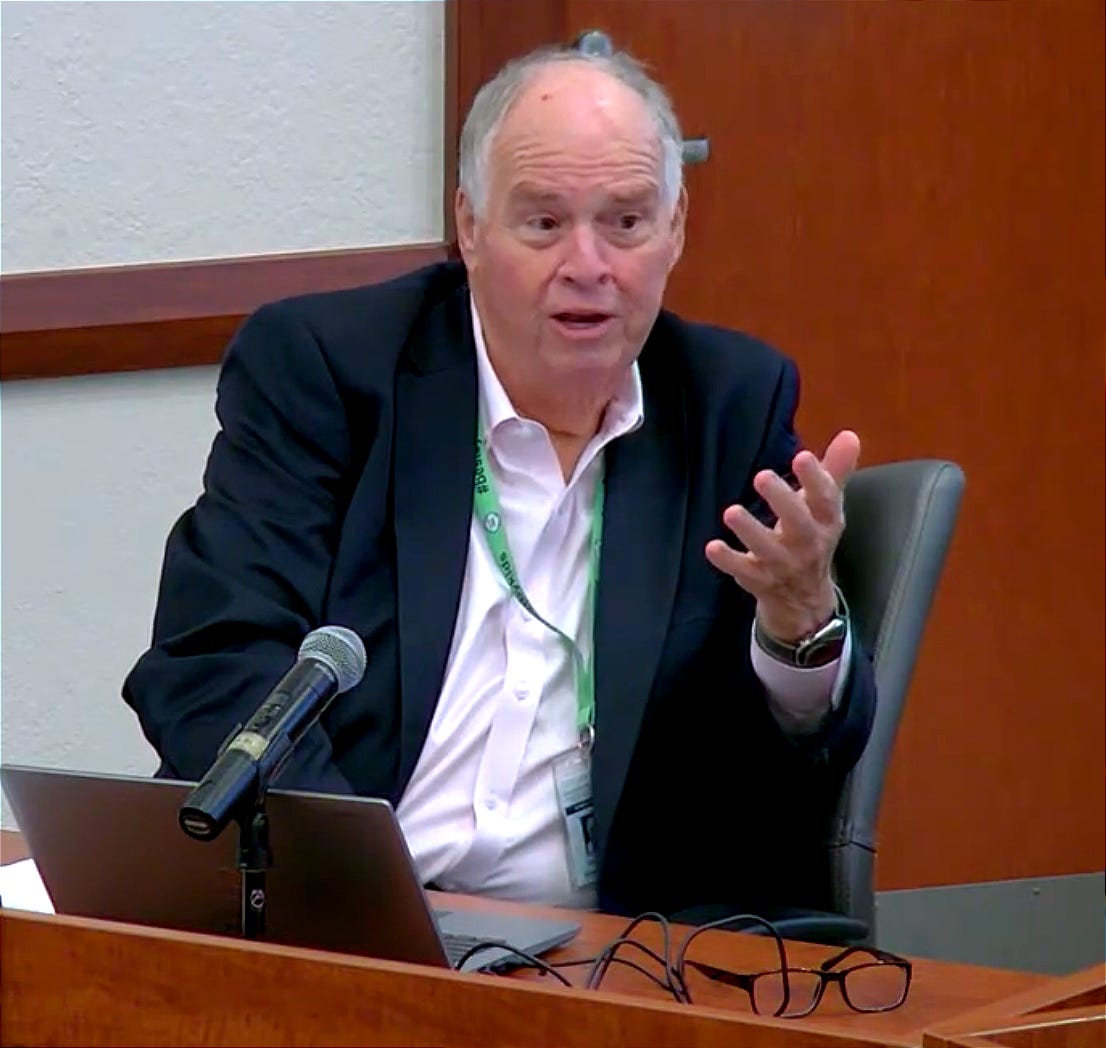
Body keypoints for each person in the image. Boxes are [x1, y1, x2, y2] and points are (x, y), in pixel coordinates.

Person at [123, 45, 876, 920]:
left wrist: (799, 624)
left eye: (626, 223)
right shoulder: (330, 369)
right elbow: (214, 661)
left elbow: (781, 775)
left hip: (607, 955)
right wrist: (367, 910)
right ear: (471, 226)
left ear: (676, 228)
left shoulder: (729, 404)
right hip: (342, 914)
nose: (588, 264)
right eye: (544, 223)